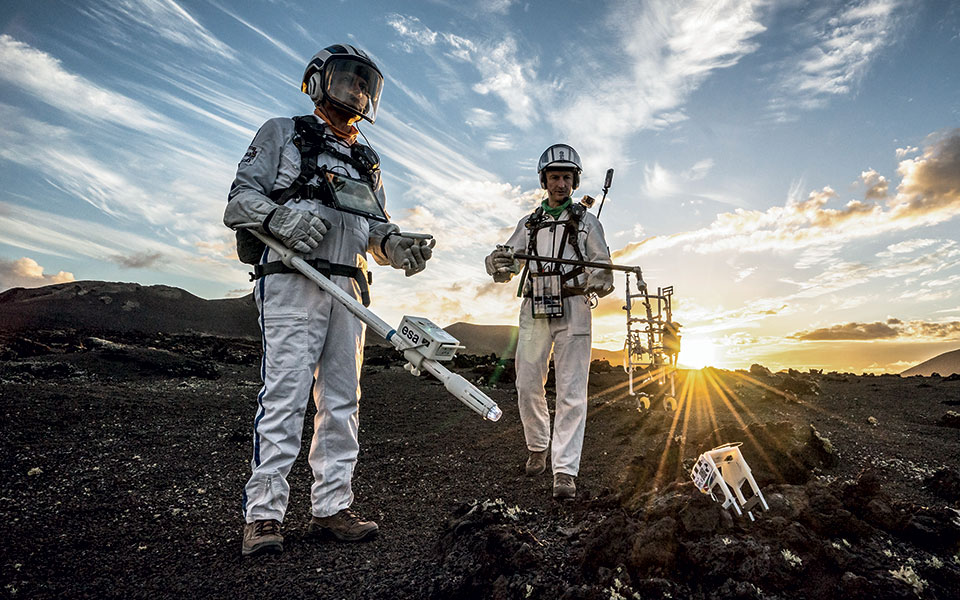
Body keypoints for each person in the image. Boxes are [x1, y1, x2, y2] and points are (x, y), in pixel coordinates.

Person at [224, 44, 435, 557]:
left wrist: (395, 245)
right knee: (286, 395)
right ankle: (265, 515)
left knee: (342, 400)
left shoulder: (366, 159)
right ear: (318, 80)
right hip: (294, 279)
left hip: (349, 288)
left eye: (366, 84)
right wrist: (278, 219)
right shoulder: (281, 133)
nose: (357, 90)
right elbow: (238, 201)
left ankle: (332, 506)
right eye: (348, 78)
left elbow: (373, 229)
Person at [484, 144, 614, 499]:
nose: (561, 184)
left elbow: (602, 265)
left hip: (574, 305)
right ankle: (538, 445)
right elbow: (508, 264)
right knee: (527, 382)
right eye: (555, 177)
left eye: (567, 178)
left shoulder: (588, 221)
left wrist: (597, 280)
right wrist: (496, 263)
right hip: (535, 305)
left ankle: (565, 471)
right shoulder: (529, 223)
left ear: (574, 181)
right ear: (544, 180)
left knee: (572, 390)